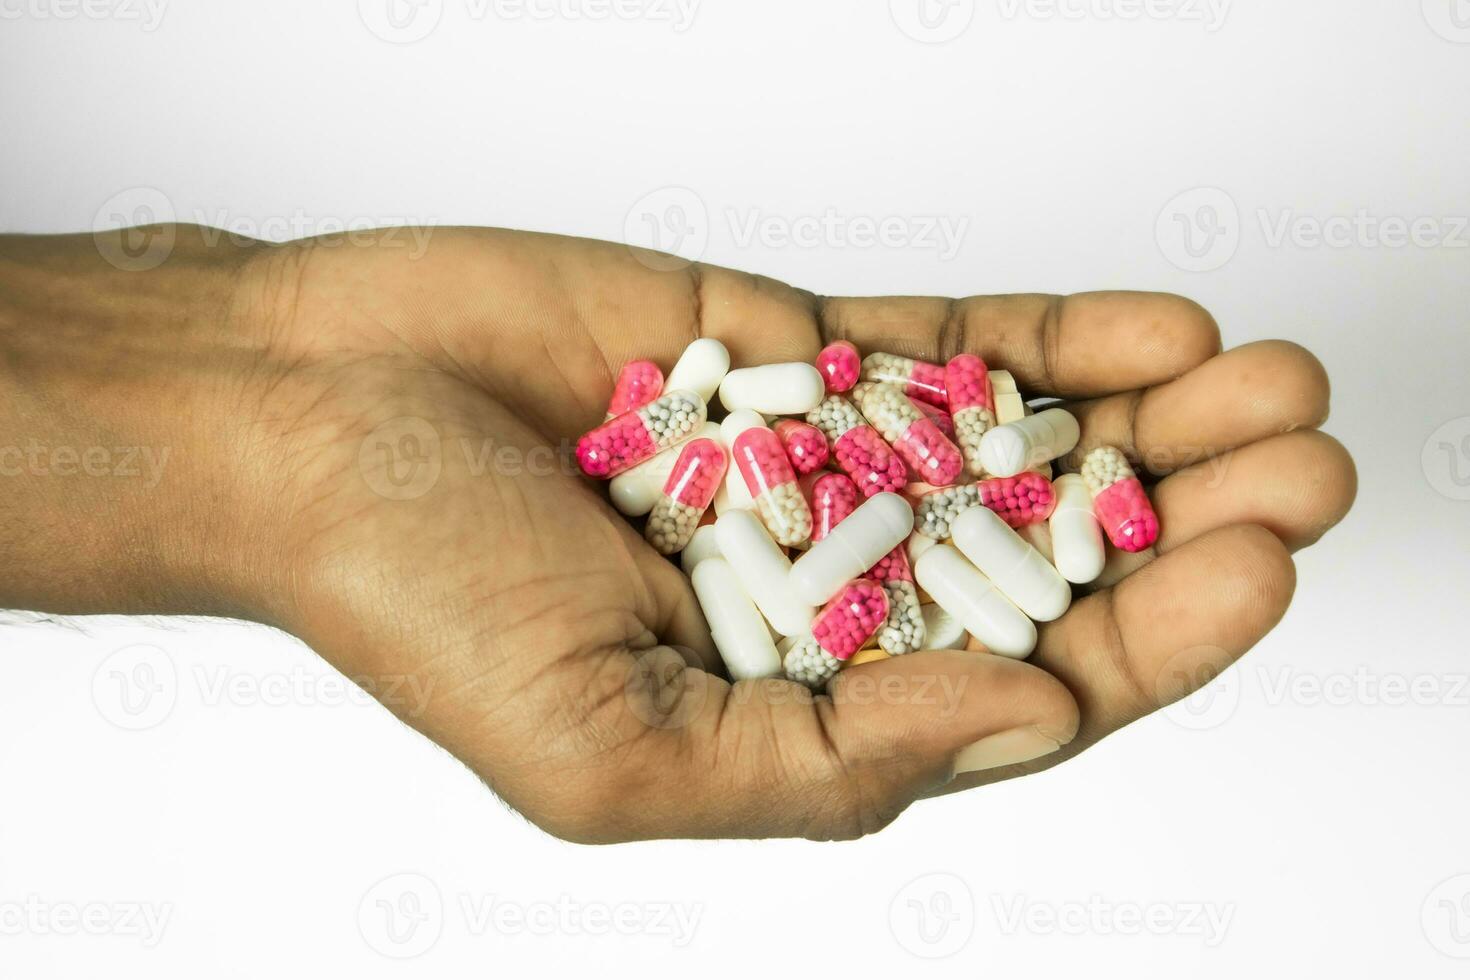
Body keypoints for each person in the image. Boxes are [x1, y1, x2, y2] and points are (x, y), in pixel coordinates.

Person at [0, 225, 1356, 843]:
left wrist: (238, 338)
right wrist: (249, 360)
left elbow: (907, 509)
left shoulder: (907, 482)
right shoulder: (756, 493)